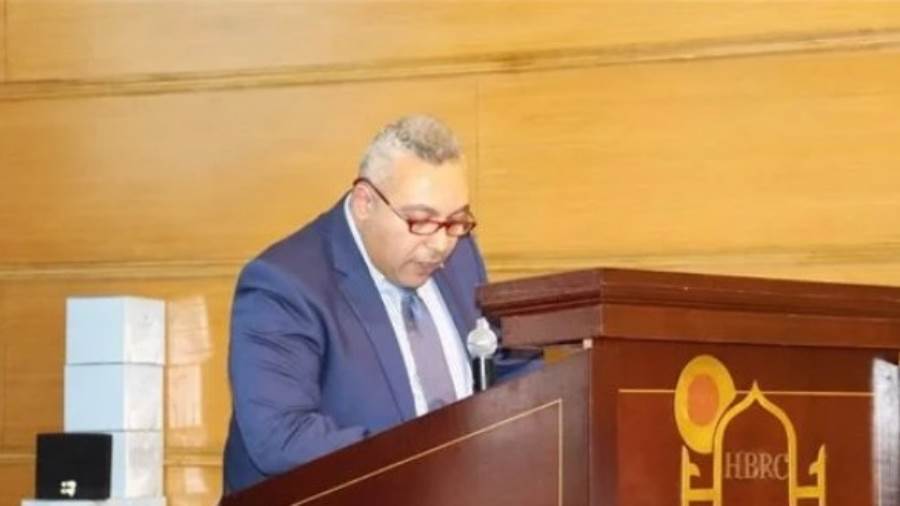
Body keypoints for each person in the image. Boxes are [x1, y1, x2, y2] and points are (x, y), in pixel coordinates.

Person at [222, 115, 531, 495]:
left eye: (455, 220)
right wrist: (428, 461)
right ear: (365, 202)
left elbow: (502, 360)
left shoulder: (460, 252)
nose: (440, 245)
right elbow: (281, 436)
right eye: (420, 221)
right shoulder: (284, 285)